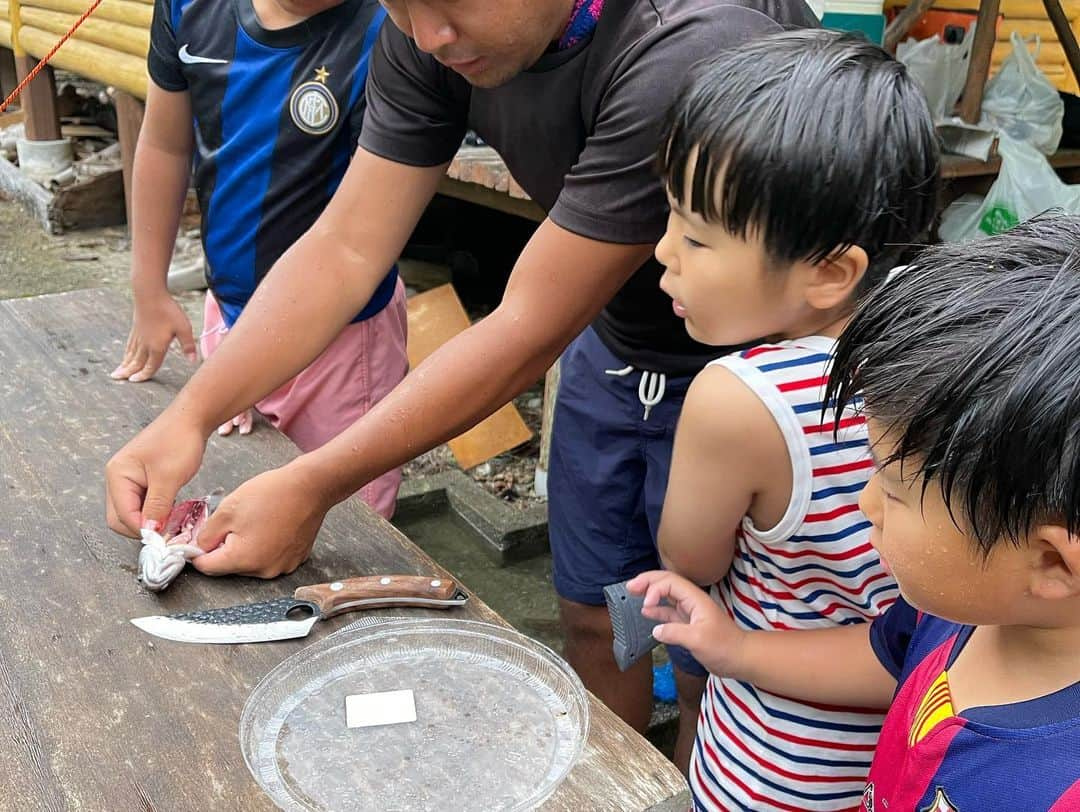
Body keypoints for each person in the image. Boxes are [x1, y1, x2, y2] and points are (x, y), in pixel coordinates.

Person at [104, 0, 818, 766]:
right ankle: (617, 779)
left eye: (450, 2)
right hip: (611, 342)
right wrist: (193, 413)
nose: (426, 35)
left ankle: (689, 777)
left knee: (717, 645)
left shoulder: (683, 45)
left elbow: (527, 325)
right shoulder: (426, 33)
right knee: (598, 613)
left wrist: (312, 484)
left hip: (762, 378)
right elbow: (347, 245)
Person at [630, 216, 1080, 811]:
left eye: (893, 490)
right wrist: (736, 648)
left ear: (1051, 562)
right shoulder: (966, 609)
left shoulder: (1052, 791)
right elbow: (884, 654)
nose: (865, 502)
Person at [648, 31, 938, 809]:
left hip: (775, 762)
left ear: (829, 271)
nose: (662, 251)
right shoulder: (951, 351)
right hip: (908, 753)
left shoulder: (742, 397)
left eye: (697, 234)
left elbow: (690, 556)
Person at [108, 0, 407, 518]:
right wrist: (149, 288)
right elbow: (164, 143)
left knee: (345, 519)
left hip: (342, 341)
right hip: (228, 312)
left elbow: (354, 247)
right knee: (231, 491)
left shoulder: (390, 32)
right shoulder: (187, 7)